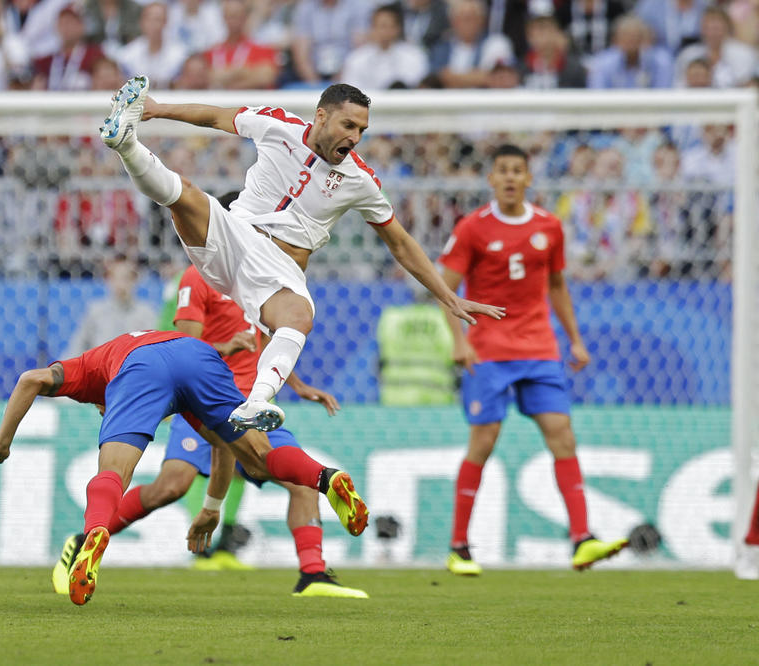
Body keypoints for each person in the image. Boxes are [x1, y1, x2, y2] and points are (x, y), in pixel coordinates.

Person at [98, 76, 505, 433]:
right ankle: (126, 143)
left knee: (299, 317)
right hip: (234, 235)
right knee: (184, 195)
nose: (355, 137)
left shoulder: (361, 181)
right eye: (348, 125)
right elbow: (217, 117)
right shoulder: (279, 126)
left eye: (362, 130)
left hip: (275, 273)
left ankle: (257, 402)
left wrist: (446, 297)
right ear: (321, 117)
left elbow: (399, 241)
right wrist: (157, 109)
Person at [0, 329, 370, 605]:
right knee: (260, 455)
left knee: (113, 471)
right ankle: (326, 477)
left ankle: (92, 536)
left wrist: (2, 442)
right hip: (199, 356)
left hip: (141, 367)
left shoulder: (87, 369)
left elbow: (30, 379)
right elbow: (222, 448)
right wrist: (211, 507)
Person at [53, 261, 368, 598]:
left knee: (301, 481)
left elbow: (267, 342)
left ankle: (313, 575)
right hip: (201, 398)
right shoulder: (196, 277)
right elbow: (181, 346)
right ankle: (84, 540)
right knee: (171, 486)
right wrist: (225, 347)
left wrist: (297, 384)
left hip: (249, 401)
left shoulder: (261, 275)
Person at [437, 144, 628, 575]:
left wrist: (575, 340)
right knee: (483, 444)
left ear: (528, 179)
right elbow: (445, 288)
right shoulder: (473, 228)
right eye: (502, 170)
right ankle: (459, 547)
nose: (509, 178)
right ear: (491, 179)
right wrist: (459, 339)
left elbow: (557, 285)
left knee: (563, 437)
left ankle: (582, 539)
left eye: (517, 171)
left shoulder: (549, 226)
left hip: (540, 348)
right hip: (489, 350)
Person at [65, 257, 157, 357]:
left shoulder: (146, 313)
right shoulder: (96, 311)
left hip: (132, 369)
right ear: (108, 280)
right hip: (100, 368)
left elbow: (152, 350)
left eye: (126, 278)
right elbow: (77, 346)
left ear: (134, 280)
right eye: (115, 278)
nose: (121, 284)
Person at [339, 3, 429, 91]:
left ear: (398, 28)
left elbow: (418, 88)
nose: (385, 31)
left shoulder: (414, 56)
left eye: (390, 26)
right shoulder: (357, 58)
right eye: (381, 26)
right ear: (372, 27)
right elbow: (350, 92)